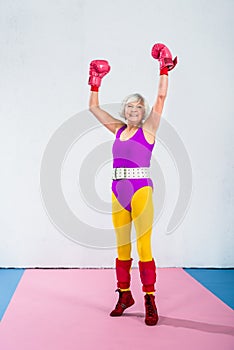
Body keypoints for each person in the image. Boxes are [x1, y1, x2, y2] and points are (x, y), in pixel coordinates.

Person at [88, 43, 177, 326]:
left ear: (144, 111)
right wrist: (95, 82)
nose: (134, 110)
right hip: (117, 191)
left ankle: (150, 298)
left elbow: (161, 97)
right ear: (125, 111)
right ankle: (124, 295)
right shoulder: (117, 130)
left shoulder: (148, 130)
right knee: (121, 247)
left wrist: (163, 69)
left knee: (144, 248)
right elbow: (93, 108)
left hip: (141, 191)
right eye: (130, 106)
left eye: (139, 107)